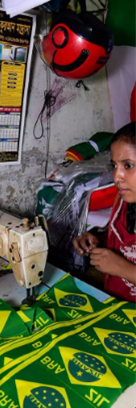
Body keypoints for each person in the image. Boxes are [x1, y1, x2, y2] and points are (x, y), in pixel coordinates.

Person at [73, 122, 136, 302]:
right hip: (114, 302)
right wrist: (97, 241)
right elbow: (125, 243)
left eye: (128, 166)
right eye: (114, 166)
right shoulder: (123, 202)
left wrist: (123, 269)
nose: (117, 177)